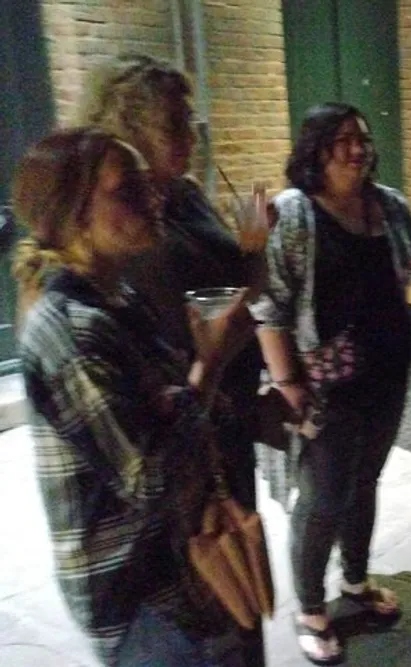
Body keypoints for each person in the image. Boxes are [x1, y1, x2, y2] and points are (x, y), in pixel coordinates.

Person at [13, 128, 251, 666]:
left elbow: (166, 406)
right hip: (138, 595)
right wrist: (209, 368)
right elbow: (147, 475)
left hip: (181, 567)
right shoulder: (69, 330)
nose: (153, 197)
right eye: (128, 189)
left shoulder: (117, 297)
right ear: (73, 214)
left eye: (148, 183)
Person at [75, 53, 267, 666]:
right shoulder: (118, 237)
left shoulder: (180, 199)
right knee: (200, 593)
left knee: (240, 578)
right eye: (176, 123)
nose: (193, 134)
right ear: (128, 128)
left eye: (191, 119)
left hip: (219, 420)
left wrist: (252, 254)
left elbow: (237, 287)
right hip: (178, 430)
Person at [251, 102, 411, 665]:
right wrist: (288, 385)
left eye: (362, 138)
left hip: (385, 375)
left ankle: (355, 582)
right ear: (315, 150)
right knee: (325, 496)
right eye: (341, 141)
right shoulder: (289, 214)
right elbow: (267, 304)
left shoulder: (390, 205)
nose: (357, 149)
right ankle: (310, 607)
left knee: (365, 484)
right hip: (321, 389)